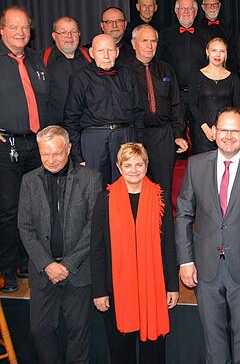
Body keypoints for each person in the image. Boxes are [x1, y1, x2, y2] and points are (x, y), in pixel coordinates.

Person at [176, 107, 240, 364]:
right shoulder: (196, 165)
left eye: (235, 130)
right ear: (213, 132)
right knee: (214, 345)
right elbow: (183, 216)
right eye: (223, 129)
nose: (229, 136)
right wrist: (186, 261)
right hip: (206, 270)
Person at [17, 126, 101, 363]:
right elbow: (25, 226)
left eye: (56, 153)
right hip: (43, 272)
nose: (51, 160)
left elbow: (93, 227)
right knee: (40, 331)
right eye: (45, 154)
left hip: (78, 271)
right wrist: (47, 264)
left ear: (69, 149)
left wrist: (68, 263)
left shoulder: (90, 178)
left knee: (78, 331)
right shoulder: (29, 180)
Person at [91, 143, 179, 364]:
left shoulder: (160, 197)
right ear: (119, 167)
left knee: (153, 352)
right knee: (121, 352)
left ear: (146, 165)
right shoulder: (105, 199)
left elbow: (169, 245)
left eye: (139, 164)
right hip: (116, 290)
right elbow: (97, 249)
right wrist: (99, 291)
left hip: (153, 288)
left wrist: (172, 286)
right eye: (127, 165)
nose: (133, 170)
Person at [0, 5, 48, 292]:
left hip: (36, 145)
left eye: (25, 27)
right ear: (2, 29)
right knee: (8, 209)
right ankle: (6, 268)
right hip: (7, 147)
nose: (20, 32)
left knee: (35, 208)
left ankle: (27, 261)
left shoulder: (35, 60)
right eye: (14, 27)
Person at [63, 34, 144, 188]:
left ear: (117, 52)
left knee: (127, 187)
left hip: (125, 137)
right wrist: (78, 156)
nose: (106, 56)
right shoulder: (80, 78)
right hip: (94, 141)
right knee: (95, 189)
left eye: (110, 50)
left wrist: (139, 144)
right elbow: (70, 119)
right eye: (101, 51)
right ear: (92, 53)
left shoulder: (128, 74)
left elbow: (138, 112)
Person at [125, 24, 188, 194]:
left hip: (163, 134)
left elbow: (176, 103)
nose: (149, 45)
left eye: (153, 41)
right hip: (136, 135)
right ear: (133, 44)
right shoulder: (124, 71)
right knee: (136, 187)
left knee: (163, 188)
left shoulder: (165, 68)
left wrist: (178, 134)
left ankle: (166, 222)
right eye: (144, 41)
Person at [187, 37, 239, 154]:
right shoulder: (196, 76)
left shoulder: (234, 78)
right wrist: (205, 128)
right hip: (202, 132)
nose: (218, 54)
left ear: (226, 54)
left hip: (227, 134)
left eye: (222, 51)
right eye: (214, 50)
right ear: (207, 52)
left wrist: (227, 131)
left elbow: (237, 107)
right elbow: (192, 105)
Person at [40, 16, 92, 125]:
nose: (69, 36)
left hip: (88, 127)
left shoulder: (91, 56)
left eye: (73, 32)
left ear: (79, 34)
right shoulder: (40, 59)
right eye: (63, 32)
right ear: (54, 36)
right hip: (56, 129)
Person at [158, 0, 210, 97]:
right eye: (182, 8)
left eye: (190, 8)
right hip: (173, 93)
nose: (186, 12)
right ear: (176, 12)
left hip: (201, 93)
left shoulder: (207, 36)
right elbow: (160, 64)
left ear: (195, 12)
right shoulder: (164, 35)